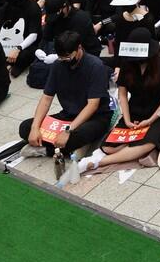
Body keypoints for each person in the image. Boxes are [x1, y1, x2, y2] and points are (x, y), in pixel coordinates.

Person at [80, 27, 160, 172]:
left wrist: (150, 120)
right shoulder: (127, 64)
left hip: (159, 115)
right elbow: (122, 94)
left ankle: (99, 163)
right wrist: (126, 120)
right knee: (108, 146)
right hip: (134, 112)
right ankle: (123, 150)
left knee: (147, 144)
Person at [18, 30, 111, 169]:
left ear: (79, 48)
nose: (64, 61)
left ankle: (46, 149)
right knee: (25, 127)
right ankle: (68, 149)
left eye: (67, 57)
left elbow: (92, 105)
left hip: (95, 117)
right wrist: (35, 127)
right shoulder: (58, 65)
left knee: (80, 134)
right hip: (67, 116)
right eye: (61, 58)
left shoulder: (95, 66)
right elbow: (46, 98)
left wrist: (68, 131)